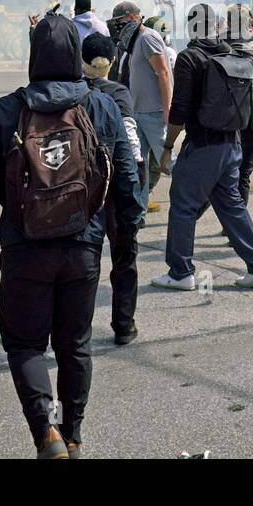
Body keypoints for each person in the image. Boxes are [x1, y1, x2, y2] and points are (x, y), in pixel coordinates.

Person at [0, 14, 141, 458]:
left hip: (26, 245)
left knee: (25, 343)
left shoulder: (8, 108)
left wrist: (19, 202)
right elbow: (125, 175)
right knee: (75, 345)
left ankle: (46, 433)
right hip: (83, 244)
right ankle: (75, 433)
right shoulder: (101, 105)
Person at [153, 3, 253, 291]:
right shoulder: (234, 53)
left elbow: (179, 111)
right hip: (233, 144)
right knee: (230, 204)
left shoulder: (190, 58)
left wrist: (169, 146)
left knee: (183, 206)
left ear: (190, 26)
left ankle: (180, 272)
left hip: (203, 146)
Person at [80, 32, 143, 346]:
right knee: (124, 261)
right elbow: (131, 146)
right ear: (113, 62)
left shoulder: (73, 94)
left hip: (83, 190)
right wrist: (135, 200)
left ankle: (78, 326)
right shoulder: (119, 94)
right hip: (117, 188)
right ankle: (123, 324)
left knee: (85, 261)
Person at [109, 1, 173, 215]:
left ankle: (203, 190)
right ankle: (139, 212)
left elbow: (163, 73)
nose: (117, 26)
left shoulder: (147, 38)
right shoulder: (136, 41)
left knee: (170, 163)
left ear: (131, 18)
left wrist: (167, 109)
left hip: (154, 113)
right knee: (140, 166)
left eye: (119, 22)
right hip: (139, 113)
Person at [220, 4, 253, 207]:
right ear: (249, 23)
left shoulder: (218, 45)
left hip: (222, 116)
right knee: (243, 173)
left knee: (223, 171)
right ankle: (237, 225)